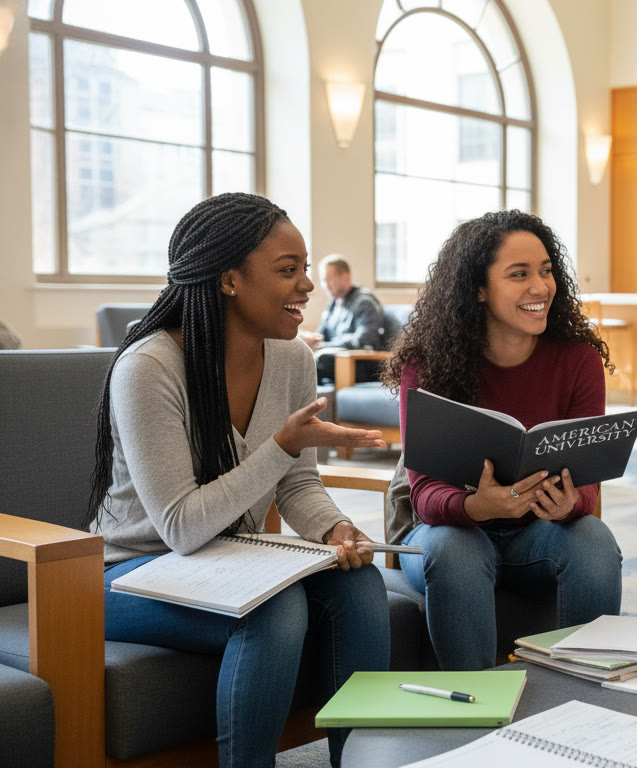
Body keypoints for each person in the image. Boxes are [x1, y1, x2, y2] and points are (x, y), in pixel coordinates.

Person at [87, 193, 392, 768]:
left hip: (230, 557)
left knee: (359, 585)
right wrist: (281, 446)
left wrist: (336, 528)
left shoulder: (292, 360)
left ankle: (361, 760)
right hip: (124, 571)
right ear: (229, 280)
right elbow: (180, 527)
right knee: (272, 610)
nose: (307, 285)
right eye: (287, 270)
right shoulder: (149, 367)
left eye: (305, 269)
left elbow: (297, 484)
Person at [382, 210, 623, 671]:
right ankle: (475, 707)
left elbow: (588, 483)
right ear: (478, 288)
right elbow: (425, 495)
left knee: (592, 540)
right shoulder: (426, 364)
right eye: (519, 274)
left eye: (546, 271)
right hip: (445, 530)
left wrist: (569, 504)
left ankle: (583, 698)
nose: (540, 287)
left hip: (536, 534)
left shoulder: (578, 360)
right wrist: (478, 507)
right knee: (457, 549)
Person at [299, 254, 386, 383]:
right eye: (324, 281)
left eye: (331, 280)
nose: (326, 286)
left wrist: (326, 346)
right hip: (336, 358)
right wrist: (310, 339)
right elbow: (322, 334)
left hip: (357, 362)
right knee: (301, 356)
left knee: (320, 359)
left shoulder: (364, 302)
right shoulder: (334, 305)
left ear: (346, 277)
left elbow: (365, 339)